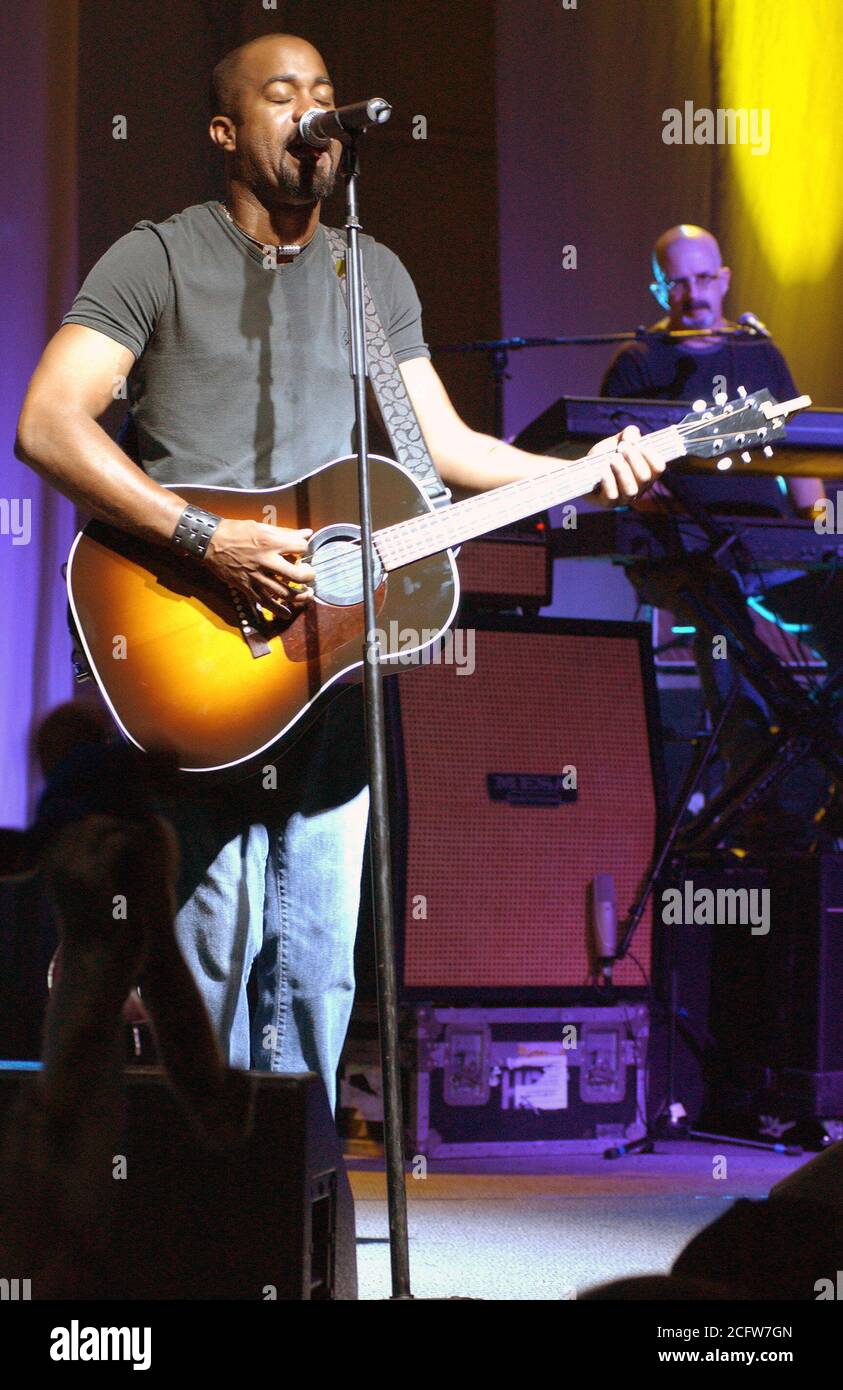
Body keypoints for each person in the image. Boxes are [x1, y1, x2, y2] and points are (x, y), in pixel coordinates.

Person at [16, 32, 664, 1109]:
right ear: (227, 133)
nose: (312, 111)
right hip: (197, 655)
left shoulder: (369, 272)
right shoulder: (157, 257)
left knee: (317, 974)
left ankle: (287, 1227)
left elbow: (441, 450)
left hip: (328, 676)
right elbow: (47, 421)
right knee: (209, 956)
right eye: (283, 96)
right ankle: (194, 1224)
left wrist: (579, 471)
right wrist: (203, 538)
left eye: (324, 94)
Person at [601, 224, 842, 844]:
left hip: (770, 544)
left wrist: (822, 537)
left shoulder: (759, 352)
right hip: (686, 552)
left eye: (705, 278)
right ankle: (753, 808)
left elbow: (803, 469)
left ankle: (828, 781)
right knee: (722, 628)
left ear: (725, 278)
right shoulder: (637, 363)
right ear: (659, 287)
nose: (694, 294)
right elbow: (629, 484)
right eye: (678, 282)